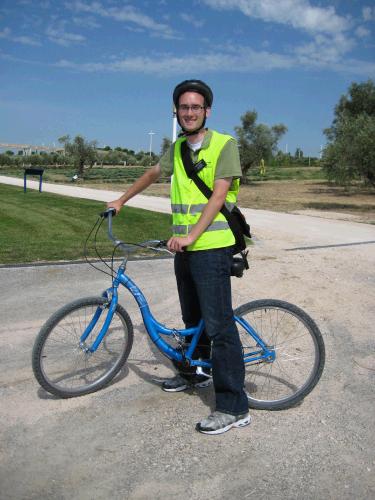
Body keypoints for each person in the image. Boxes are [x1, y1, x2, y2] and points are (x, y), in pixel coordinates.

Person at [107, 79, 250, 435]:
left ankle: (234, 406)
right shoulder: (176, 149)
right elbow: (154, 173)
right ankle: (195, 374)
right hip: (185, 248)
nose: (189, 112)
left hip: (212, 248)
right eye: (183, 107)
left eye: (195, 107)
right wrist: (121, 200)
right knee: (192, 319)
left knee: (219, 327)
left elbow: (218, 196)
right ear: (177, 112)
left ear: (207, 111)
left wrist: (191, 236)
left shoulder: (224, 144)